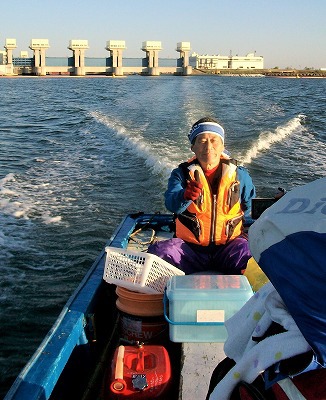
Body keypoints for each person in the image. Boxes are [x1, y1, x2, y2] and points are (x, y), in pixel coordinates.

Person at [148, 117, 256, 274]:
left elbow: (250, 208)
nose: (209, 146)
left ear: (222, 146)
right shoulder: (181, 174)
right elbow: (171, 203)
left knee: (253, 255)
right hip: (189, 250)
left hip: (228, 248)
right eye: (202, 141)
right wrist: (184, 195)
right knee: (159, 253)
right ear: (193, 147)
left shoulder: (241, 175)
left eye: (214, 140)